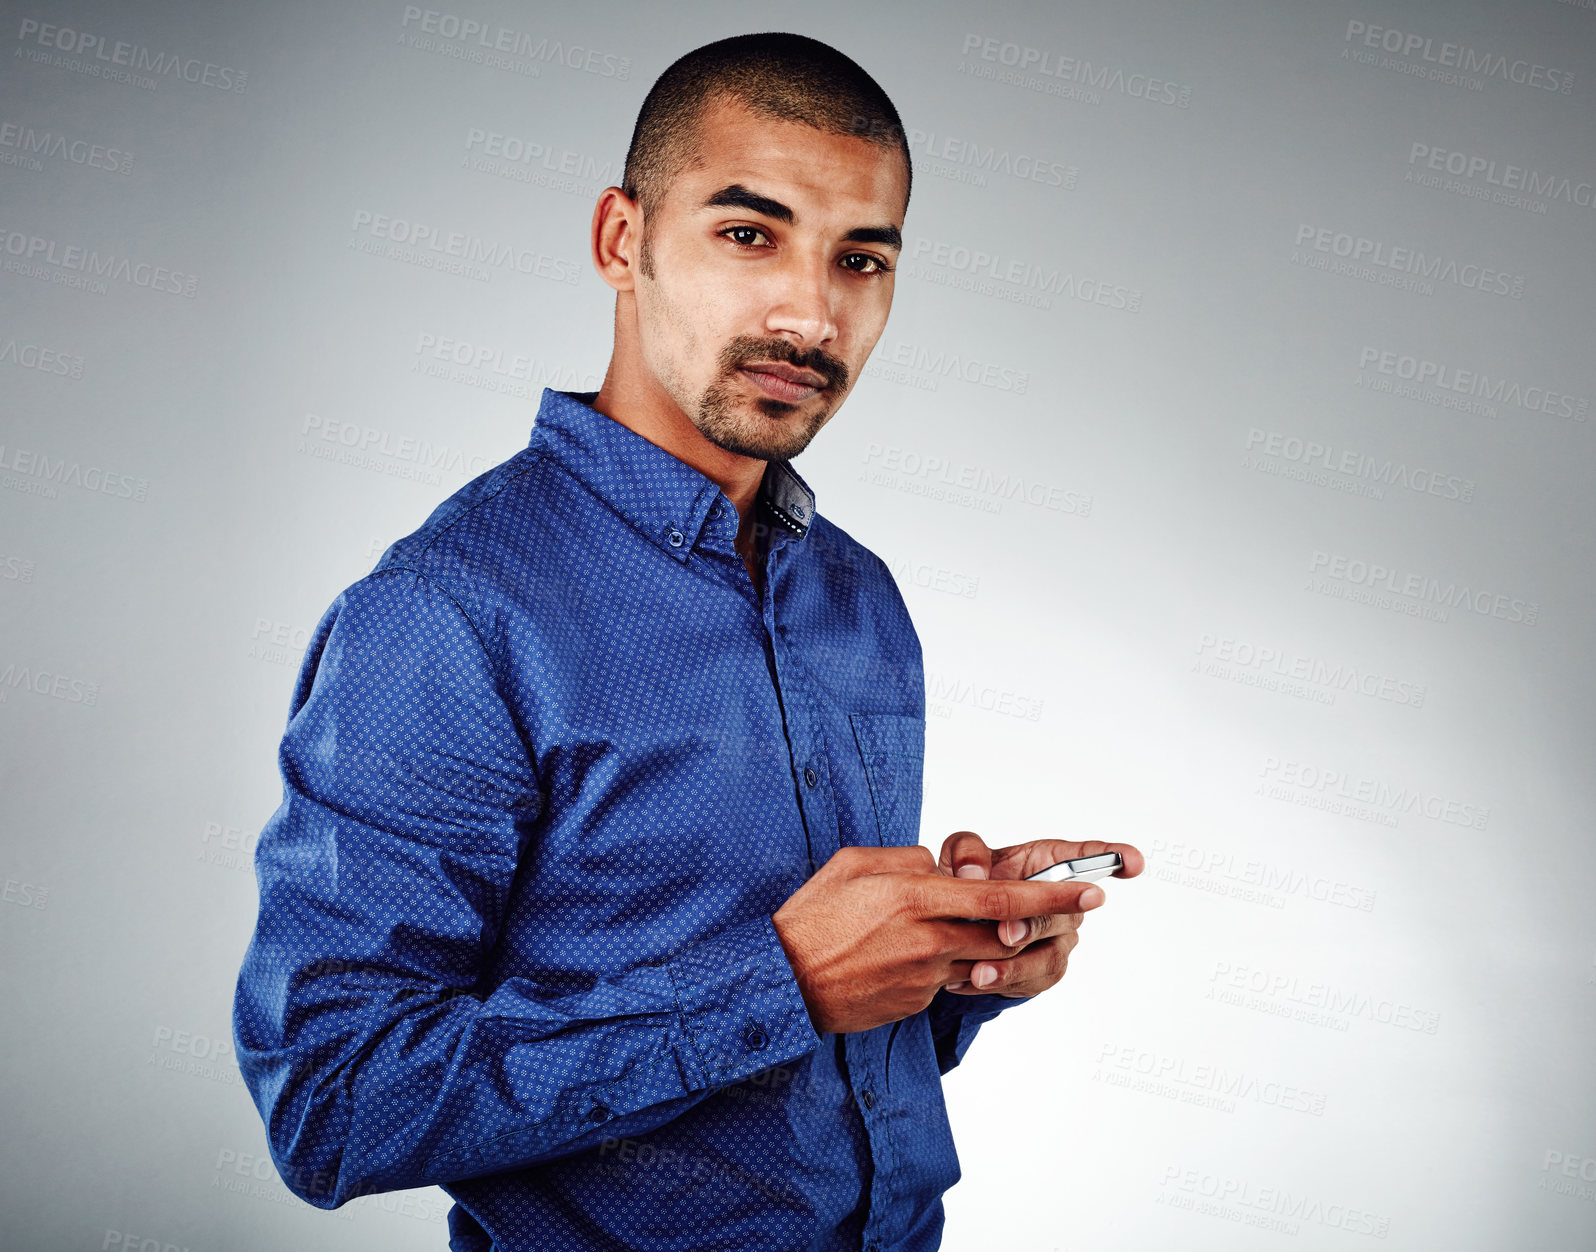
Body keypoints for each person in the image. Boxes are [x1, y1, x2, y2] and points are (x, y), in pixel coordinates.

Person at [232, 31, 1142, 1252]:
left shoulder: (858, 597)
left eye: (860, 259)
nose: (810, 315)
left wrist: (953, 963)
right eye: (748, 233)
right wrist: (781, 978)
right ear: (623, 239)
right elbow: (337, 1103)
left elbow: (813, 1069)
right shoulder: (445, 614)